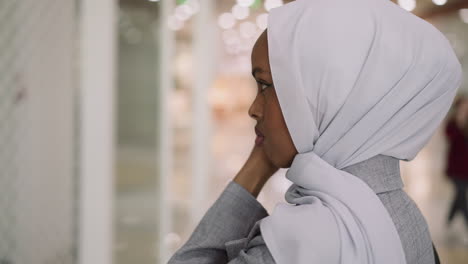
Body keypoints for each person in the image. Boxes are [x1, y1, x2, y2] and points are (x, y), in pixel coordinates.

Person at [168, 0, 461, 263]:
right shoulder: (406, 216)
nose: (253, 109)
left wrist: (255, 170)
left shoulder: (297, 245)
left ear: (326, 97)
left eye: (265, 86)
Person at [445, 96, 468, 228]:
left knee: (459, 195)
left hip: (466, 168)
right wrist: (459, 124)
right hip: (455, 167)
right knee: (461, 194)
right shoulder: (452, 122)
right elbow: (449, 136)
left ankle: (449, 220)